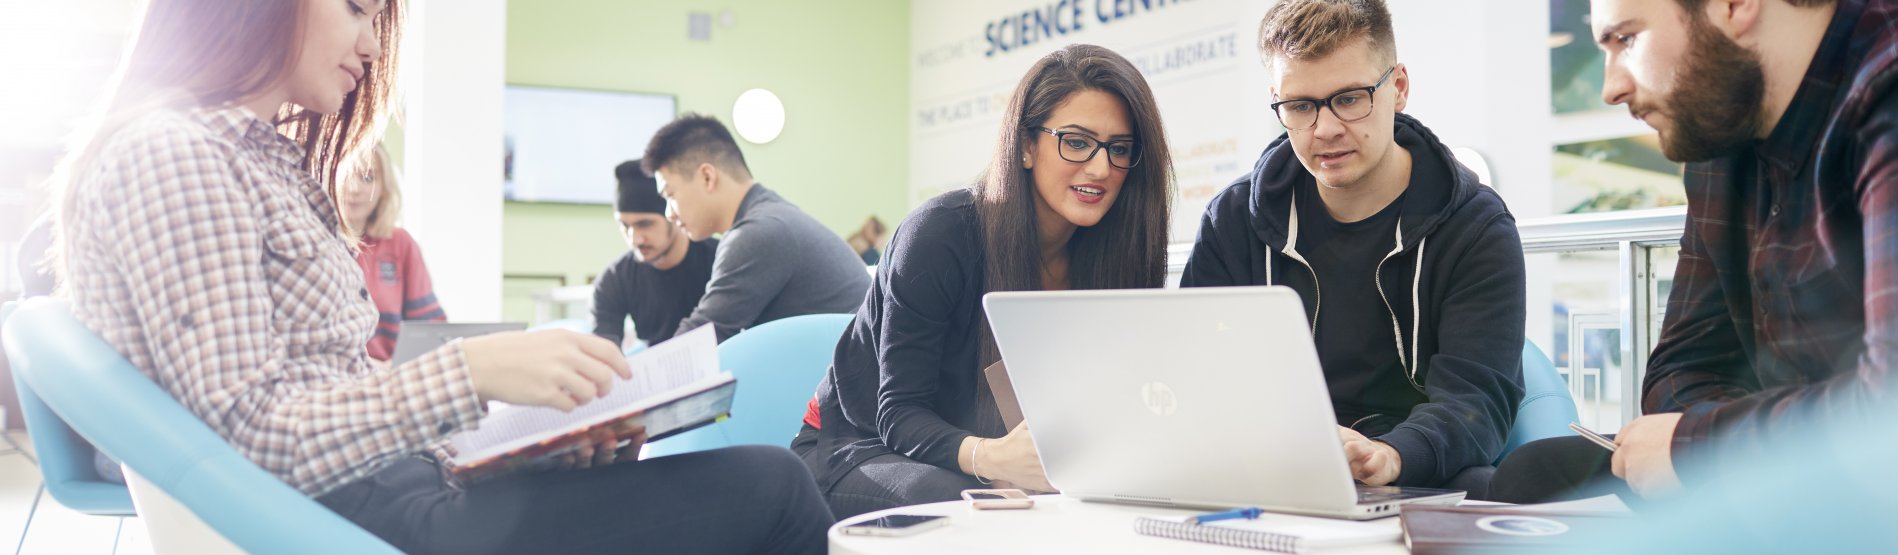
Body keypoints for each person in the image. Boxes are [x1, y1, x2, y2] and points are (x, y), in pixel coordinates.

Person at [49, 1, 831, 553]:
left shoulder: (237, 157)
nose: (370, 46)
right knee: (777, 487)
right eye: (357, 8)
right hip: (363, 514)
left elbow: (309, 398)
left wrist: (524, 441)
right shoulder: (172, 156)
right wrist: (469, 370)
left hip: (395, 488)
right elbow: (253, 430)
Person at [1491, 0, 1898, 503]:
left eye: (1627, 39)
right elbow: (1679, 371)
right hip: (1793, 477)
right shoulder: (1722, 136)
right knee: (1532, 475)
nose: (1610, 87)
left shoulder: (1885, 90)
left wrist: (1701, 448)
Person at [793, 43, 1176, 519]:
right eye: (1076, 141)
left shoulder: (1117, 254)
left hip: (998, 463)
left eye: (1119, 149)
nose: (1101, 168)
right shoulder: (941, 233)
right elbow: (898, 415)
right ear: (1025, 145)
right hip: (859, 447)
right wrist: (992, 459)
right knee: (969, 509)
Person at [1179, 0, 1526, 497]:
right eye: (1300, 106)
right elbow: (1196, 374)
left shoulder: (1475, 227)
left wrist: (1391, 454)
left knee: (1478, 488)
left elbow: (1476, 402)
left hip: (1408, 470)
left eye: (1349, 98)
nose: (1325, 129)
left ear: (1398, 87)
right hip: (1270, 469)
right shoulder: (1234, 221)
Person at [643, 114, 871, 342]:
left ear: (706, 177)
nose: (669, 213)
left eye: (670, 195)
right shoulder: (772, 215)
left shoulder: (757, 232)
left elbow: (700, 339)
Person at [590, 159, 716, 348]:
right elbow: (604, 351)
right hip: (657, 370)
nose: (635, 239)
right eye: (625, 226)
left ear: (673, 214)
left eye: (645, 224)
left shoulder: (720, 260)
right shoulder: (615, 279)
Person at [338, 143, 445, 362]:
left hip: (391, 377)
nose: (355, 188)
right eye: (346, 175)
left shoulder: (400, 244)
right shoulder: (314, 241)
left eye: (368, 178)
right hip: (335, 376)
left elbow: (429, 329)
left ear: (384, 188)